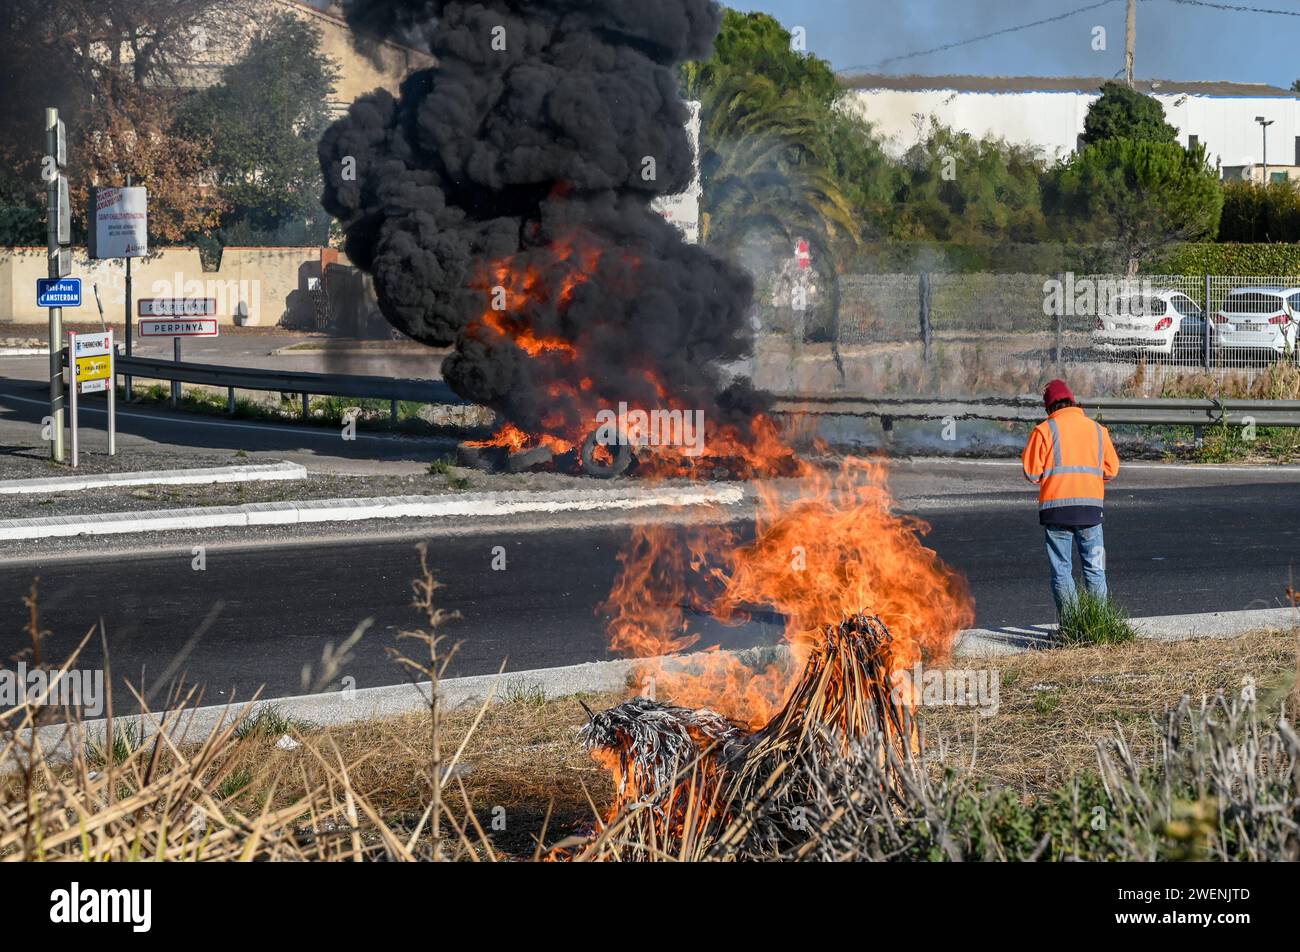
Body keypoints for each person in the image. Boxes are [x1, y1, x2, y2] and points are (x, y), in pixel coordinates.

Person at [1021, 379, 1120, 615]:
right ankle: (1099, 624)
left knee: (1062, 571)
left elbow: (1031, 473)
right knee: (1096, 568)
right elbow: (1111, 470)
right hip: (1092, 513)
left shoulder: (1044, 430)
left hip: (1056, 512)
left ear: (1049, 407)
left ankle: (1072, 626)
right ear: (1073, 402)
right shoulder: (1098, 430)